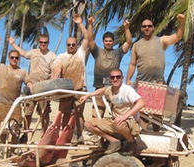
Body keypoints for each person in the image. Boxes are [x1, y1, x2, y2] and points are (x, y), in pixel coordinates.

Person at [79, 68, 145, 155]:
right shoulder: (110, 89)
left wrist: (125, 116)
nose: (115, 79)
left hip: (131, 122)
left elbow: (141, 103)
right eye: (112, 77)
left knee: (119, 124)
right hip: (116, 121)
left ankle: (131, 142)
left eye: (118, 77)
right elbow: (103, 90)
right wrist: (88, 95)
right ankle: (114, 141)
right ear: (110, 79)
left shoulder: (127, 90)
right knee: (88, 123)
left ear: (122, 78)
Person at [0, 36, 33, 144]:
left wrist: (31, 90)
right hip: (1, 104)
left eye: (16, 58)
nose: (14, 59)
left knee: (15, 129)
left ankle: (13, 150)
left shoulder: (22, 72)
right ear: (9, 58)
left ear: (19, 59)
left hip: (15, 105)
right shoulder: (1, 68)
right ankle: (2, 149)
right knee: (2, 129)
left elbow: (29, 83)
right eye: (12, 58)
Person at [8, 34, 56, 138]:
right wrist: (13, 44)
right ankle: (25, 134)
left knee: (45, 113)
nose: (43, 44)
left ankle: (44, 135)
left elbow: (54, 71)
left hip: (44, 88)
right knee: (28, 112)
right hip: (31, 87)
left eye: (45, 42)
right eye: (41, 42)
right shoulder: (33, 52)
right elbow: (23, 53)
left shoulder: (52, 56)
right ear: (39, 42)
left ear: (48, 43)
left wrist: (51, 84)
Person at [51, 13, 89, 144]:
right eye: (69, 45)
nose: (71, 47)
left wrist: (80, 23)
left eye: (73, 44)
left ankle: (79, 136)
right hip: (66, 90)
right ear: (66, 45)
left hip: (80, 89)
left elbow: (87, 37)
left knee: (79, 114)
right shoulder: (61, 57)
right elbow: (56, 70)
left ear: (76, 45)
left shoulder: (80, 53)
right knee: (65, 113)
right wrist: (53, 81)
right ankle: (66, 137)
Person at [88, 16, 132, 118]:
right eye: (106, 41)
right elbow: (90, 39)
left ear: (113, 42)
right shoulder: (97, 51)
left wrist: (126, 28)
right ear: (103, 42)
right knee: (97, 114)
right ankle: (96, 133)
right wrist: (90, 25)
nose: (108, 42)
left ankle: (114, 133)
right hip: (99, 87)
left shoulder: (118, 53)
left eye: (110, 41)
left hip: (114, 89)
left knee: (117, 115)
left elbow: (128, 42)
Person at [126, 14, 185, 85]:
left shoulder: (162, 41)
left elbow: (178, 36)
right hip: (141, 84)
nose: (147, 28)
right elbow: (132, 64)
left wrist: (182, 22)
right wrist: (128, 80)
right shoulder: (136, 45)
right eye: (144, 26)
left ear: (153, 28)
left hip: (158, 84)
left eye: (149, 26)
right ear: (141, 29)